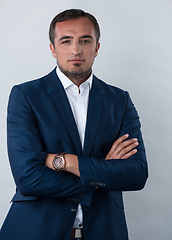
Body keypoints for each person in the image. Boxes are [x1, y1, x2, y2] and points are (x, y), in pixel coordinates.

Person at [0, 9, 148, 240]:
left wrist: (65, 161)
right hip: (36, 229)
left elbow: (137, 174)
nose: (76, 49)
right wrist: (103, 174)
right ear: (53, 48)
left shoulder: (119, 100)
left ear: (97, 47)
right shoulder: (26, 95)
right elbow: (29, 178)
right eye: (66, 41)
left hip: (104, 230)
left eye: (85, 40)